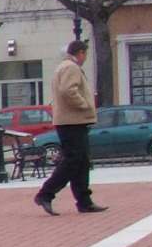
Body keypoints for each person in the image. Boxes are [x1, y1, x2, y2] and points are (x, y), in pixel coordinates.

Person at [37, 36, 104, 216]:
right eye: (85, 54)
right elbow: (68, 90)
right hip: (72, 121)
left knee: (81, 162)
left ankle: (84, 201)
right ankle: (46, 194)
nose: (85, 58)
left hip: (73, 121)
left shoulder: (63, 66)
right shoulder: (71, 67)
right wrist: (85, 105)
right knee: (73, 160)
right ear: (80, 53)